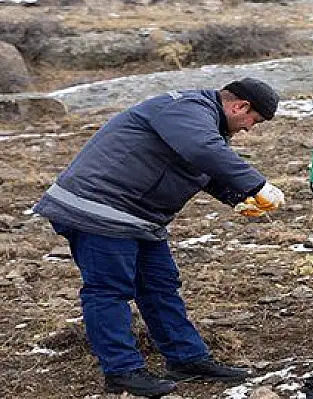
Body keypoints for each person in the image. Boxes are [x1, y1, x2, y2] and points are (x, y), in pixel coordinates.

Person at [33, 77, 285, 396]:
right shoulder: (187, 109)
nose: (249, 128)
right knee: (109, 290)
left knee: (159, 285)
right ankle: (122, 371)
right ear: (241, 106)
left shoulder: (205, 122)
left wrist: (237, 197)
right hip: (98, 208)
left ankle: (187, 359)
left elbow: (201, 166)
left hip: (137, 215)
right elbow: (201, 149)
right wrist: (256, 183)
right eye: (254, 121)